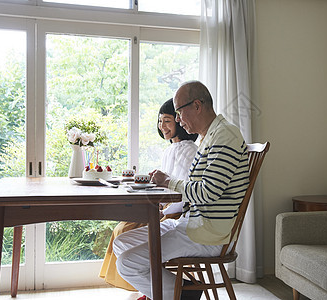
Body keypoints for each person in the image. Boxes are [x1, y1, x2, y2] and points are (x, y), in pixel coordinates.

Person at [113, 80, 250, 299]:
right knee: (122, 241)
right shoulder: (209, 137)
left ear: (197, 106)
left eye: (178, 112)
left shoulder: (225, 136)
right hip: (191, 223)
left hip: (209, 233)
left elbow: (207, 193)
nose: (177, 120)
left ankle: (185, 295)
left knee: (127, 264)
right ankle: (179, 293)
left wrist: (168, 182)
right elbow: (196, 191)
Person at [98, 98, 198, 291]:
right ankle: (153, 289)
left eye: (167, 121)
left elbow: (184, 193)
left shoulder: (189, 151)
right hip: (165, 210)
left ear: (180, 121)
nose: (162, 126)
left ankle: (174, 291)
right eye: (160, 121)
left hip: (176, 214)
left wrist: (164, 210)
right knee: (122, 229)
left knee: (125, 230)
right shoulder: (170, 150)